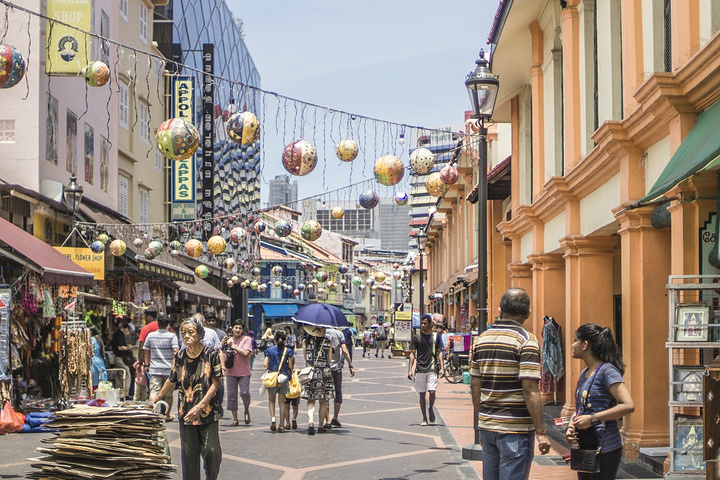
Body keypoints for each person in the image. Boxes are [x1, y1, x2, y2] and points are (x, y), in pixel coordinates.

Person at [470, 288, 551, 480]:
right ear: (528, 313)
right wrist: (541, 431)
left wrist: (481, 419)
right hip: (516, 429)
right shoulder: (526, 341)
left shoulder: (481, 340)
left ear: (500, 310)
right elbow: (530, 389)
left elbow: (475, 385)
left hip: (488, 426)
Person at [150, 316, 222, 480]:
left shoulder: (211, 354)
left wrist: (199, 406)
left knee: (212, 451)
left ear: (200, 334)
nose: (186, 336)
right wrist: (157, 398)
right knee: (189, 456)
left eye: (191, 332)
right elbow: (171, 379)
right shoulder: (180, 356)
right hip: (186, 412)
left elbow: (215, 384)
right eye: (183, 333)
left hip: (208, 411)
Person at [565, 324, 634, 480]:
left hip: (605, 448)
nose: (573, 344)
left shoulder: (607, 371)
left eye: (576, 340)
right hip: (586, 446)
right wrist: (571, 426)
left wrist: (593, 418)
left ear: (585, 344)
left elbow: (628, 405)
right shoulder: (584, 373)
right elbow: (581, 408)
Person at [408, 314, 445, 426]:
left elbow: (439, 352)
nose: (423, 325)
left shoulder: (436, 337)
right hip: (420, 368)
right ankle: (424, 418)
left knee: (432, 391)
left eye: (425, 323)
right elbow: (412, 354)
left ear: (430, 325)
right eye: (422, 323)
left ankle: (431, 408)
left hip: (432, 367)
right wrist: (410, 369)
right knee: (422, 394)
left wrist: (442, 368)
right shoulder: (416, 338)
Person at [143, 314, 179, 421]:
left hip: (155, 369)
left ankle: (152, 414)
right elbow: (175, 351)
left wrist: (147, 364)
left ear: (158, 324)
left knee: (154, 391)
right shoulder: (172, 336)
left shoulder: (151, 336)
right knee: (169, 393)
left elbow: (145, 350)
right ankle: (167, 415)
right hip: (169, 370)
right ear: (168, 325)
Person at [301, 325, 334, 435]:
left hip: (311, 372)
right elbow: (329, 359)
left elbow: (306, 358)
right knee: (323, 400)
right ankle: (320, 425)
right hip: (324, 372)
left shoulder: (305, 342)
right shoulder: (328, 342)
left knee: (311, 400)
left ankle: (311, 422)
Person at [223, 320, 253, 426]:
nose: (237, 330)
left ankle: (246, 409)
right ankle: (235, 419)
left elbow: (245, 353)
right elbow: (221, 353)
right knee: (231, 396)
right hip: (231, 371)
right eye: (236, 327)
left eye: (240, 328)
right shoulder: (228, 340)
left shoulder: (247, 339)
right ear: (232, 328)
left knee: (244, 393)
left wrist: (234, 347)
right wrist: (222, 344)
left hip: (244, 372)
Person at [263, 329, 294, 432]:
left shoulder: (270, 350)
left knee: (271, 400)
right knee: (282, 402)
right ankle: (281, 424)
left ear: (274, 339)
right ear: (285, 339)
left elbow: (265, 364)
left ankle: (273, 418)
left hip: (272, 378)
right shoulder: (288, 351)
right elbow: (291, 366)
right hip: (283, 378)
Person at [323, 327, 355, 428]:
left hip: (324, 367)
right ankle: (335, 418)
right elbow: (345, 350)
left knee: (325, 393)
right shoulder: (339, 334)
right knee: (338, 392)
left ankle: (327, 420)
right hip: (336, 367)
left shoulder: (321, 332)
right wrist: (350, 365)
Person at [135, 307, 159, 401]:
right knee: (164, 390)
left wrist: (140, 362)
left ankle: (153, 408)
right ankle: (164, 408)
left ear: (149, 317)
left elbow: (142, 348)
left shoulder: (145, 329)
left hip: (150, 364)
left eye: (145, 317)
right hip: (165, 363)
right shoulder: (164, 327)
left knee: (152, 389)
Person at [111, 318, 136, 399]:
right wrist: (130, 348)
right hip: (119, 358)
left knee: (120, 375)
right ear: (126, 329)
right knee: (127, 373)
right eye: (129, 332)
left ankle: (119, 393)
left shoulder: (119, 334)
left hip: (119, 358)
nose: (128, 334)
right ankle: (125, 393)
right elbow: (120, 347)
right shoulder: (119, 334)